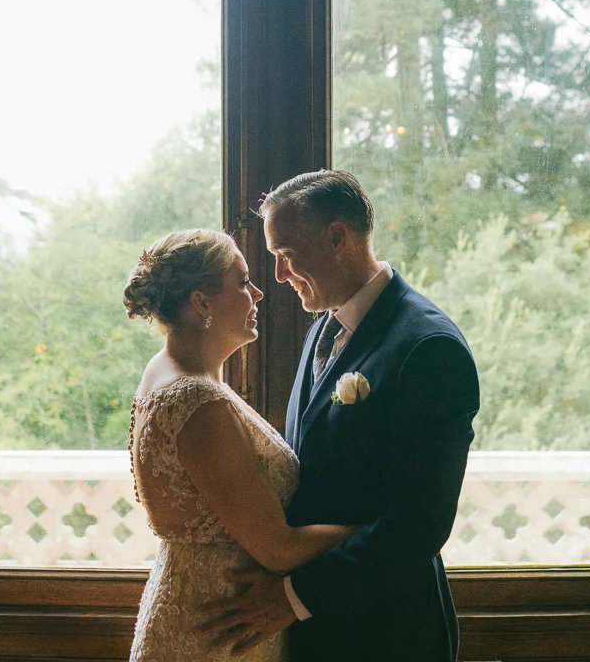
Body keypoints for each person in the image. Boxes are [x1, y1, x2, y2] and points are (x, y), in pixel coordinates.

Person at [197, 170, 480, 661]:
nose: (279, 276)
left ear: (335, 239)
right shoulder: (322, 331)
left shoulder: (428, 347)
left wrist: (293, 598)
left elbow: (419, 524)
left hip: (387, 633)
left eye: (285, 255)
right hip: (317, 632)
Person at [123, 228, 357, 662]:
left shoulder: (168, 372)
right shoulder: (196, 400)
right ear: (201, 302)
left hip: (205, 609)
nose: (258, 293)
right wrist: (374, 530)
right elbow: (278, 547)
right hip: (220, 631)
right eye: (243, 281)